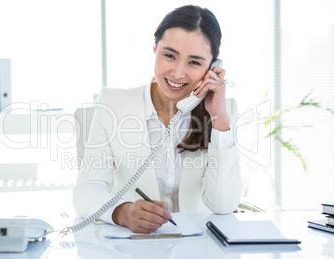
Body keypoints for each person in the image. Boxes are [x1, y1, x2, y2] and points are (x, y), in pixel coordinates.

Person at [73, 5, 242, 234]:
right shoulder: (112, 103)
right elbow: (86, 190)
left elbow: (223, 205)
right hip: (132, 249)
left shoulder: (224, 112)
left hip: (198, 252)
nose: (178, 73)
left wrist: (218, 119)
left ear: (213, 68)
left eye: (194, 62)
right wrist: (123, 212)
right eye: (170, 55)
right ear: (155, 48)